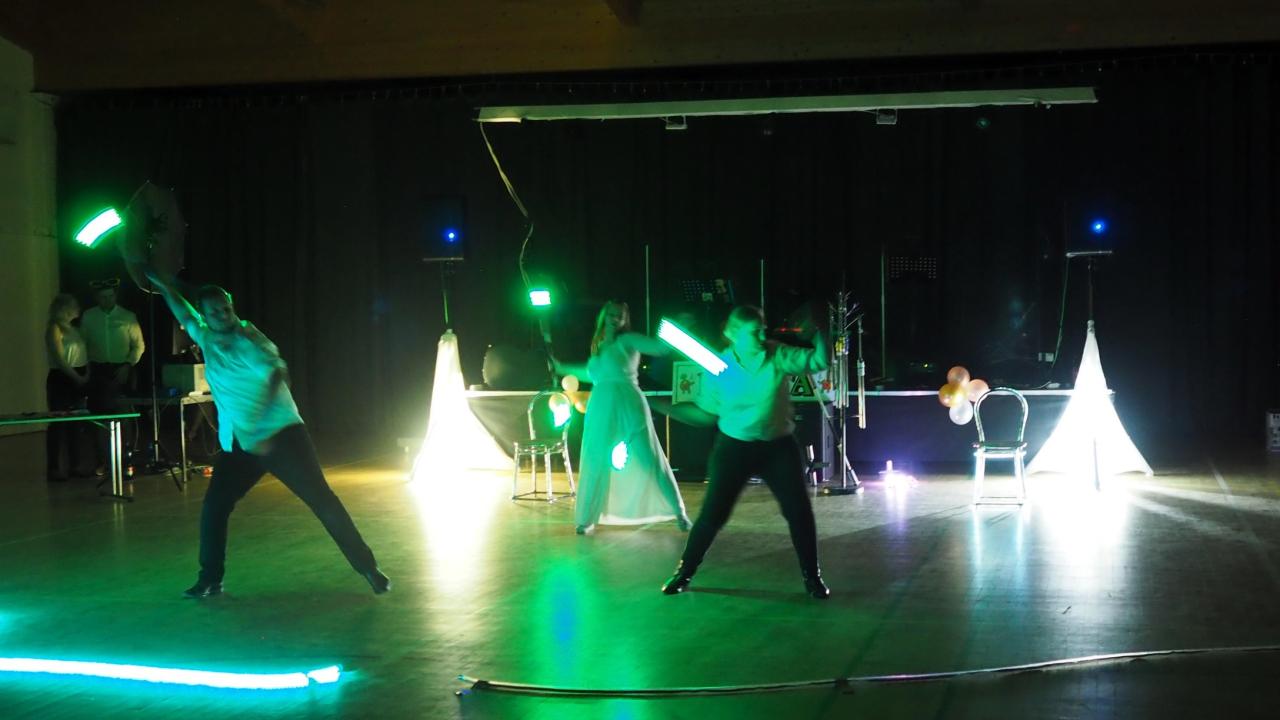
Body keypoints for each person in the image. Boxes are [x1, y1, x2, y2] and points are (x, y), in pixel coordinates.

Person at [145, 269, 390, 598]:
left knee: (321, 499)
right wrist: (159, 281)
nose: (223, 315)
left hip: (280, 435)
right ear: (205, 315)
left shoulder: (248, 340)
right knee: (215, 506)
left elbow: (279, 374)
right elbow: (182, 311)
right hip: (241, 443)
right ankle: (210, 578)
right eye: (215, 312)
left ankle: (368, 568)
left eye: (227, 309)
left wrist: (261, 425)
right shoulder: (205, 337)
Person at [660, 304, 832, 599]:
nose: (762, 335)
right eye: (755, 332)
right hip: (734, 448)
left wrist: (820, 330)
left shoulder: (777, 354)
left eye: (763, 329)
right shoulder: (719, 367)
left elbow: (818, 360)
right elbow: (705, 415)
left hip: (778, 447)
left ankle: (812, 577)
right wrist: (658, 405)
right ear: (733, 334)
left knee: (799, 512)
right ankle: (684, 571)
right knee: (713, 514)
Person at [548, 301, 690, 535]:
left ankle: (679, 513)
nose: (615, 318)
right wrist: (562, 367)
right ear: (603, 317)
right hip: (601, 403)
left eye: (620, 315)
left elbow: (659, 348)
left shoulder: (628, 340)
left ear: (625, 319)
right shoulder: (598, 346)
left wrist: (676, 328)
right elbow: (595, 374)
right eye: (611, 314)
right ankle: (586, 518)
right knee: (595, 457)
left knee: (649, 457)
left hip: (628, 401)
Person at [44, 293, 90, 481]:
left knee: (76, 423)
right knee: (58, 422)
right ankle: (54, 468)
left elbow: (84, 353)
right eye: (74, 305)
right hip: (61, 378)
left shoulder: (75, 330)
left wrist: (86, 374)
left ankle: (75, 465)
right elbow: (59, 358)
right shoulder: (54, 328)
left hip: (78, 375)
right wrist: (76, 377)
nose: (78, 309)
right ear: (64, 309)